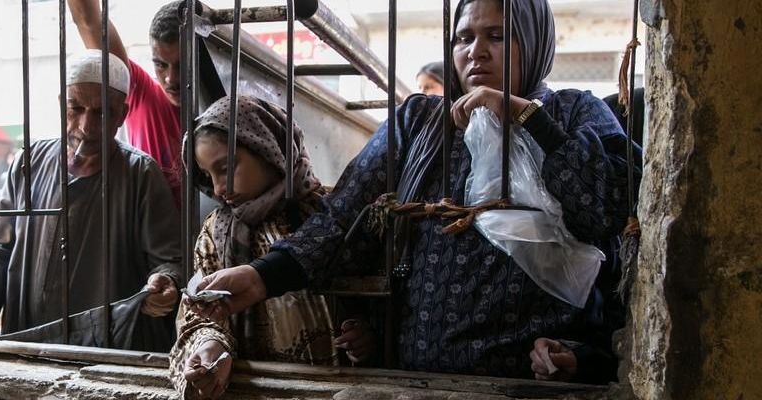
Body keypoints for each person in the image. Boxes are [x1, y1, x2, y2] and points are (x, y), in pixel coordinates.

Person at [192, 0, 637, 383]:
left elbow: (609, 208)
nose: (475, 52)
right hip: (417, 380)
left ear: (536, 40)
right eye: (463, 38)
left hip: (532, 384)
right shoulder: (419, 123)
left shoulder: (575, 112)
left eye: (497, 36)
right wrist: (260, 276)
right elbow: (343, 219)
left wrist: (523, 116)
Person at [0, 51, 183, 352]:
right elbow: (2, 250)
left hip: (104, 351)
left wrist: (164, 282)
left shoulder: (141, 175)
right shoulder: (29, 164)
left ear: (123, 114)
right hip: (27, 340)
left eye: (102, 112)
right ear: (61, 106)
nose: (86, 125)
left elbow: (168, 260)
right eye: (76, 109)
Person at [168, 96, 342, 399]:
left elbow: (369, 298)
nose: (219, 188)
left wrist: (366, 335)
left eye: (226, 167)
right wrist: (211, 348)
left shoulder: (328, 213)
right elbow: (199, 315)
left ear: (268, 149)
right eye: (208, 175)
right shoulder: (215, 231)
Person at [68, 0, 185, 205]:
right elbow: (88, 20)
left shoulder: (225, 105)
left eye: (182, 64)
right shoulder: (142, 93)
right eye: (160, 65)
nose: (170, 79)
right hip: (145, 234)